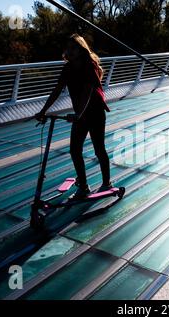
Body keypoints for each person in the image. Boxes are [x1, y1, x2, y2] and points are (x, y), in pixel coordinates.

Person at [35, 34, 112, 199]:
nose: (69, 51)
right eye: (67, 48)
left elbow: (87, 92)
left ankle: (107, 183)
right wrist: (43, 111)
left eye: (73, 48)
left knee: (99, 149)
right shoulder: (67, 68)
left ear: (81, 49)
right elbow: (57, 90)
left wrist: (78, 114)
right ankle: (83, 186)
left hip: (95, 112)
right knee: (75, 150)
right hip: (80, 114)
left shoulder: (89, 66)